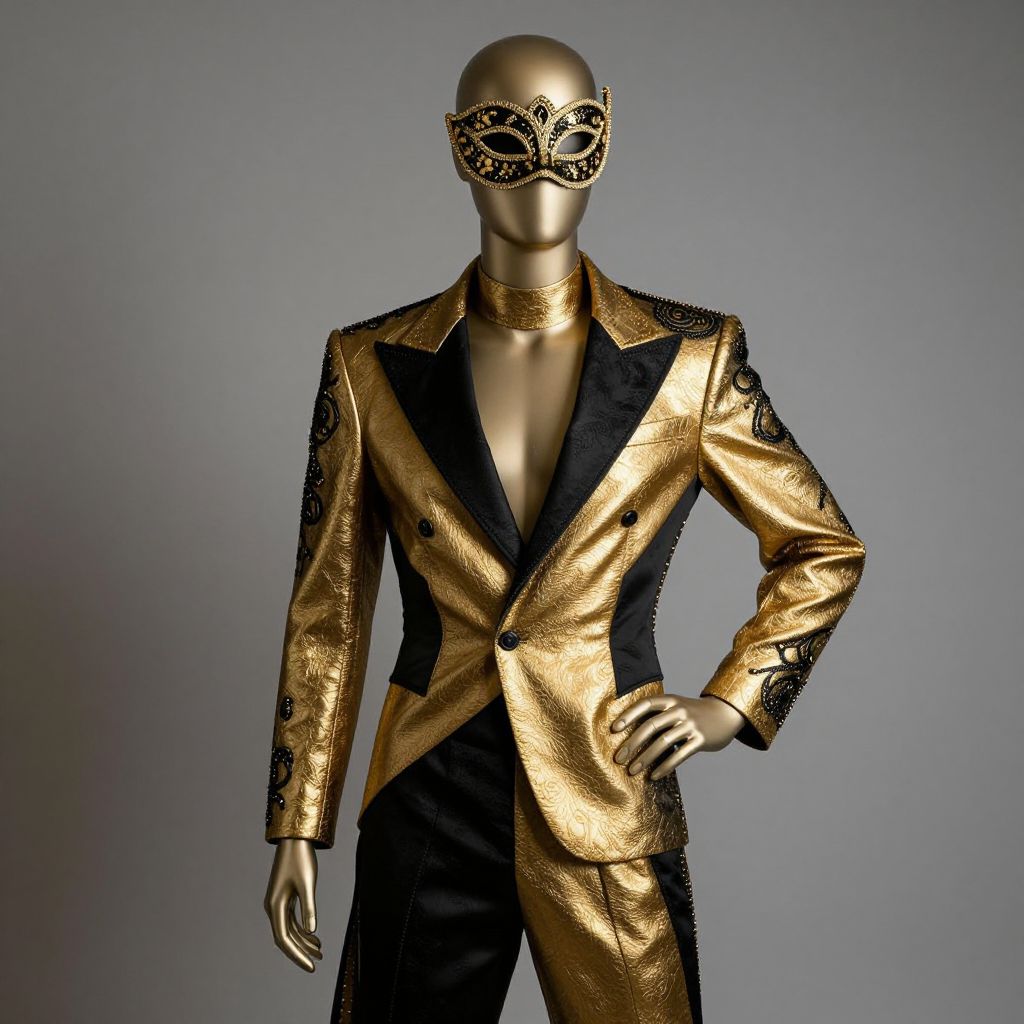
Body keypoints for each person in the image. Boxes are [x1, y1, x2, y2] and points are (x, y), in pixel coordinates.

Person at [262, 34, 866, 1024]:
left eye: (571, 137)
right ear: (460, 147)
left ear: (604, 138)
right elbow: (327, 611)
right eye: (505, 139)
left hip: (605, 779)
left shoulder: (690, 361)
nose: (541, 171)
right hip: (429, 784)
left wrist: (729, 705)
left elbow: (823, 546)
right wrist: (298, 821)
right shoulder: (369, 365)